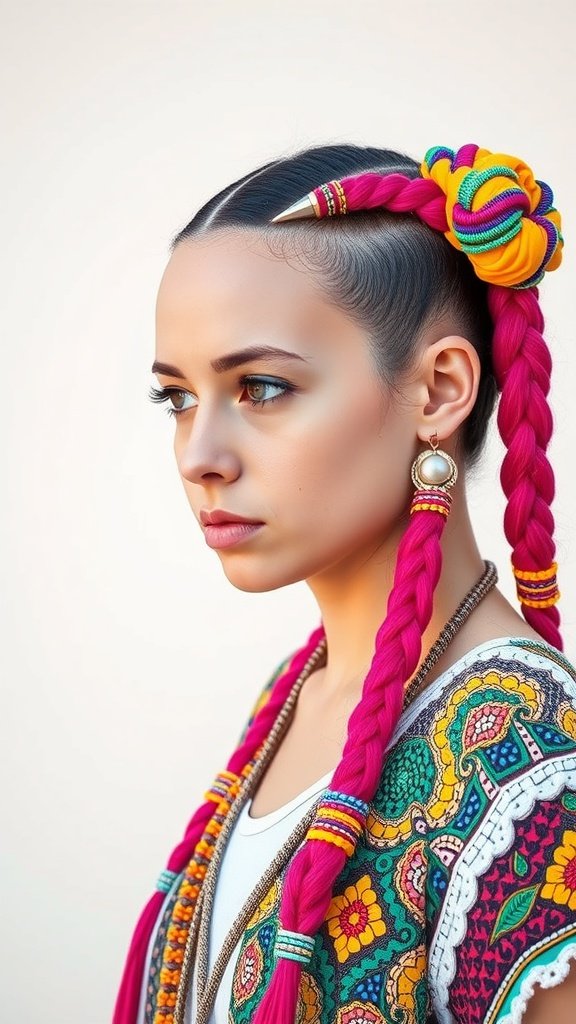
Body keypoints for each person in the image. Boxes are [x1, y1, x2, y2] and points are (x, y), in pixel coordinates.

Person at [113, 143, 576, 1024]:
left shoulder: (535, 772)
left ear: (440, 389)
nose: (199, 457)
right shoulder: (295, 693)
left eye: (261, 387)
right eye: (176, 398)